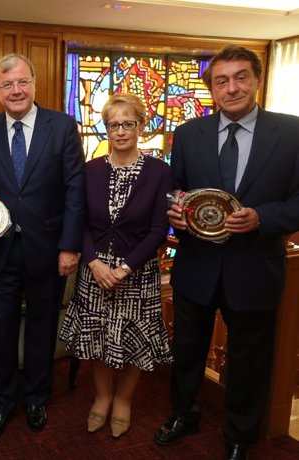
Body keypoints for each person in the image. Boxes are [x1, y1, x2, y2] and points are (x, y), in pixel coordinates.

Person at [153, 45, 299, 460]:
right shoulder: (188, 133)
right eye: (221, 81)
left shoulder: (292, 132)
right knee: (187, 349)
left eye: (240, 77)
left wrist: (263, 217)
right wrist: (176, 212)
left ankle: (239, 435)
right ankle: (184, 414)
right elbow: (175, 189)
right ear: (211, 89)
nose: (231, 87)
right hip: (197, 264)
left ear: (256, 80)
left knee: (249, 358)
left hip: (255, 266)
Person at [0, 53, 86, 440]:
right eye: (6, 85)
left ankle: (36, 398)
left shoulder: (63, 126)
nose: (15, 90)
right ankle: (0, 403)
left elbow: (75, 189)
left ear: (34, 83)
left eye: (22, 82)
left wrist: (70, 246)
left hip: (48, 248)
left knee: (42, 326)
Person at [59, 93, 173, 439]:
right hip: (95, 271)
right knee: (96, 339)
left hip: (137, 274)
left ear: (141, 126)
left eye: (128, 123)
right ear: (105, 128)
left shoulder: (159, 172)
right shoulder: (90, 170)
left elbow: (158, 229)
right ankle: (103, 397)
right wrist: (93, 263)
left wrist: (125, 269)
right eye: (113, 125)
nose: (120, 131)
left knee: (133, 340)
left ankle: (123, 400)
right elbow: (78, 220)